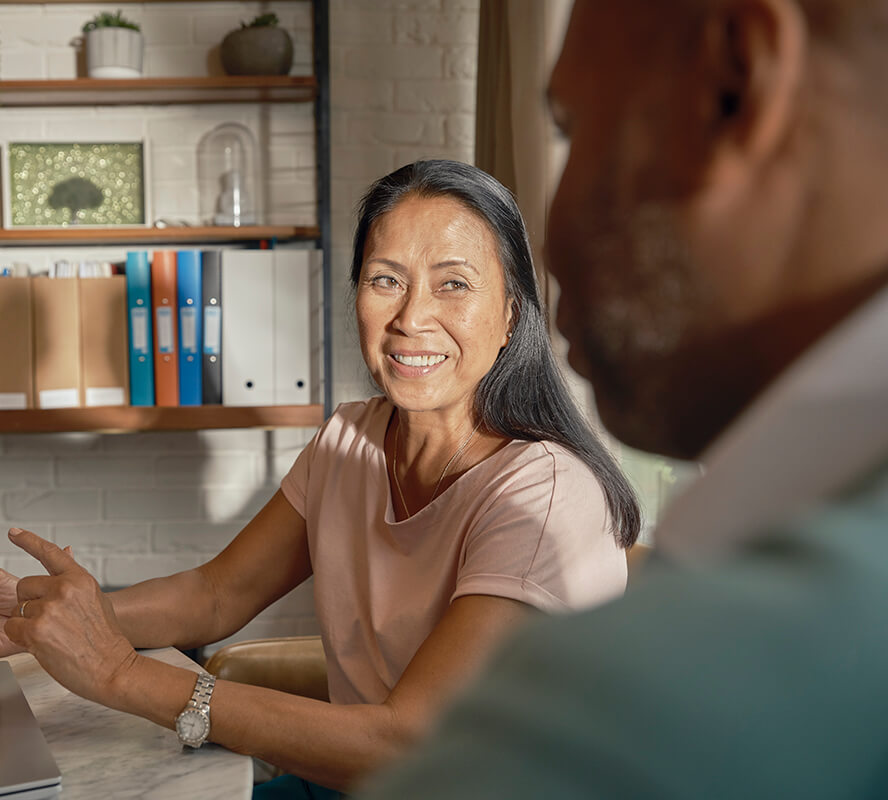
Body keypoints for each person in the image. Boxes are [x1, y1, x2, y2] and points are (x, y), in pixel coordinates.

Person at [0, 160, 640, 796]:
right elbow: (216, 595)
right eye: (384, 280)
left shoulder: (544, 498)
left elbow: (405, 744)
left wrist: (120, 675)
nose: (411, 317)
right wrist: (42, 617)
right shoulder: (352, 441)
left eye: (453, 284)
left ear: (513, 313)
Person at [358, 0, 888, 797]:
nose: (556, 235)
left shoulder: (650, 717)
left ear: (733, 85)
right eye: (385, 279)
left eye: (573, 130)